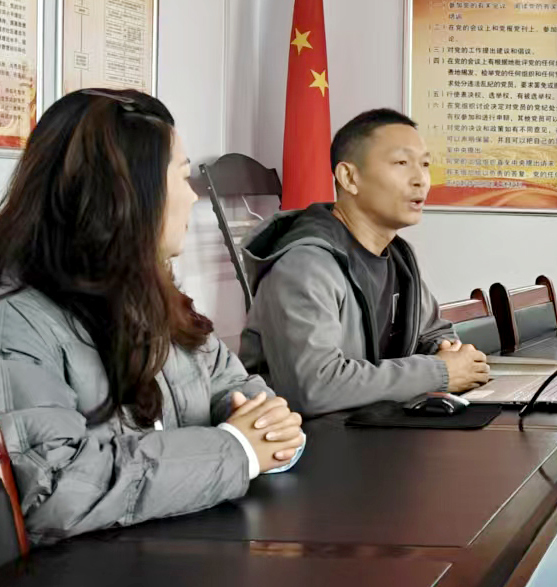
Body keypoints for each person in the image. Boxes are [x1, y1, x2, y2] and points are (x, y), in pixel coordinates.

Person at [0, 90, 304, 546]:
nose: (193, 196)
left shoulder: (152, 290)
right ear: (127, 194)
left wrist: (265, 426)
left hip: (186, 549)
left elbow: (232, 384)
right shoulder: (16, 317)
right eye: (182, 176)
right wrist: (236, 449)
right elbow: (57, 490)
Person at [240, 109, 489, 416]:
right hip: (305, 437)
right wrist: (440, 372)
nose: (421, 180)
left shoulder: (398, 257)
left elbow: (432, 332)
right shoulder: (304, 266)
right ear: (349, 177)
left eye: (425, 164)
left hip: (373, 429)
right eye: (401, 163)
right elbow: (314, 387)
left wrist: (449, 353)